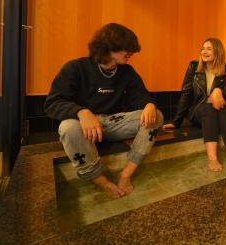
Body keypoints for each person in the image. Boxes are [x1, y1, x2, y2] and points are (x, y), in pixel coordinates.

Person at [45, 23, 163, 199]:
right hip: (84, 128)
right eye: (127, 48)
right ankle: (101, 181)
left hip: (112, 124)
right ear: (110, 46)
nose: (132, 52)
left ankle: (125, 175)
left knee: (156, 116)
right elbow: (53, 103)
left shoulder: (126, 71)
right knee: (68, 127)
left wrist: (149, 104)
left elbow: (140, 95)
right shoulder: (76, 68)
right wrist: (82, 112)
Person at [163, 38, 226, 172]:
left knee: (225, 107)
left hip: (217, 110)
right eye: (203, 49)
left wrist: (219, 90)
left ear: (217, 52)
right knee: (209, 107)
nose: (204, 52)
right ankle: (213, 159)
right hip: (198, 112)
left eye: (209, 49)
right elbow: (186, 94)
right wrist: (177, 122)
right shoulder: (194, 66)